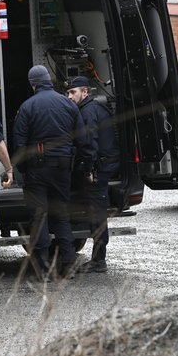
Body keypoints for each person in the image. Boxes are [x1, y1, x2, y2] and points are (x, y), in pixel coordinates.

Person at [14, 64, 94, 279]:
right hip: (62, 168)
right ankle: (68, 266)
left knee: (39, 217)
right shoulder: (69, 105)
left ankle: (44, 270)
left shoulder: (27, 107)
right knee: (61, 216)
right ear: (49, 80)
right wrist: (82, 167)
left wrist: (23, 170)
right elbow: (84, 141)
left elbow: (19, 144)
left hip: (37, 170)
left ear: (33, 84)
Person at [66, 76, 119, 273]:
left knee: (97, 214)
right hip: (103, 165)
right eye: (68, 93)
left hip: (98, 169)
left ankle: (99, 260)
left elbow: (90, 145)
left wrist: (88, 170)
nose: (70, 97)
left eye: (73, 92)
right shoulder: (92, 108)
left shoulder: (88, 112)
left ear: (85, 92)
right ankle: (97, 259)